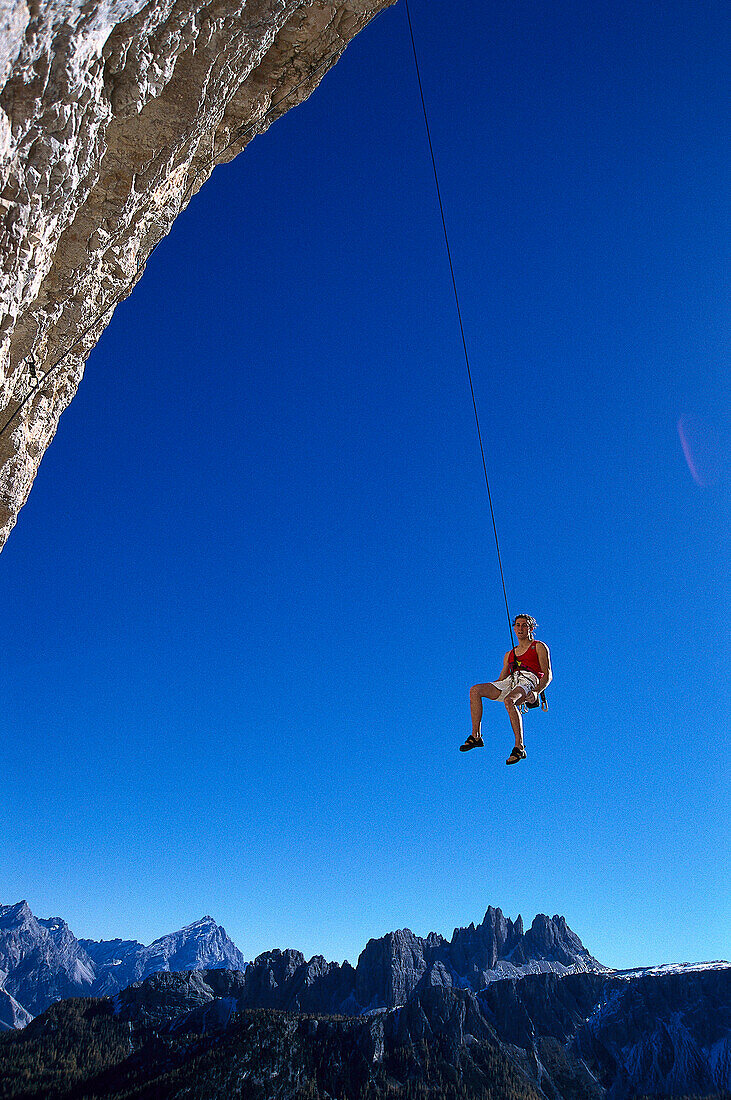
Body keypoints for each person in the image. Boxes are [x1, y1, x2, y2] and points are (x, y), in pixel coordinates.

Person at [459, 614, 551, 764]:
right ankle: (476, 736)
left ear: (531, 628)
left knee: (509, 701)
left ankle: (519, 747)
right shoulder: (509, 654)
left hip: (529, 679)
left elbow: (547, 674)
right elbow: (501, 679)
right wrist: (491, 688)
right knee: (475, 690)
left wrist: (536, 692)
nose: (520, 628)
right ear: (514, 628)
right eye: (518, 625)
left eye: (524, 625)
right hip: (511, 680)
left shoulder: (538, 646)